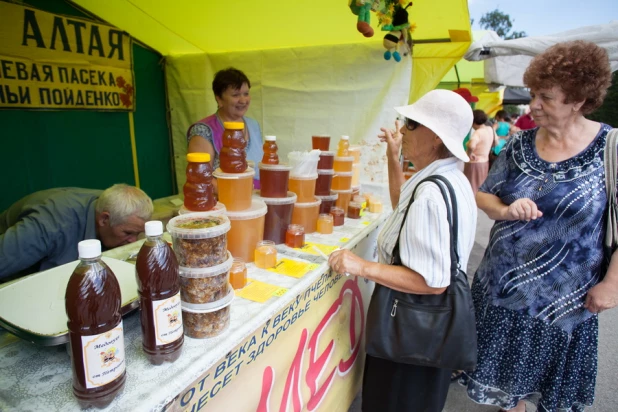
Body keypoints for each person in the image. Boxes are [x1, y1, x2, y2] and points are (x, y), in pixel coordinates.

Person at [461, 40, 616, 412]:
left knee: (548, 389)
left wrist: (612, 283)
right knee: (505, 390)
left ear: (578, 99)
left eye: (546, 97)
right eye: (533, 94)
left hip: (564, 303)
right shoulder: (519, 145)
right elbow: (483, 196)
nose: (533, 106)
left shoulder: (611, 148)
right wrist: (506, 209)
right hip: (500, 291)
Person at [328, 89, 477, 412]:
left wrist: (361, 266)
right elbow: (404, 212)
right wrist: (392, 157)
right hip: (427, 333)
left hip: (412, 332)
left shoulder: (431, 195)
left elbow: (433, 282)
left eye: (411, 123)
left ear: (435, 137)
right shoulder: (446, 179)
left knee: (394, 402)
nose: (402, 128)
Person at [0, 184, 153, 281]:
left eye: (138, 233)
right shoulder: (51, 226)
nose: (133, 241)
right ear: (104, 219)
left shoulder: (113, 205)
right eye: (127, 233)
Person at [186, 67, 263, 190]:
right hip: (225, 201)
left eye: (246, 94)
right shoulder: (203, 131)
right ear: (219, 99)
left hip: (257, 201)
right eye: (236, 95)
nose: (243, 100)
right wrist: (238, 195)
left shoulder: (253, 125)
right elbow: (200, 177)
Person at [464, 109, 495, 193]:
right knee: (480, 186)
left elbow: (471, 145)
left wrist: (469, 153)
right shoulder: (490, 129)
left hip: (474, 163)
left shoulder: (478, 132)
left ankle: (471, 204)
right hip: (485, 162)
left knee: (471, 186)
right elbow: (496, 143)